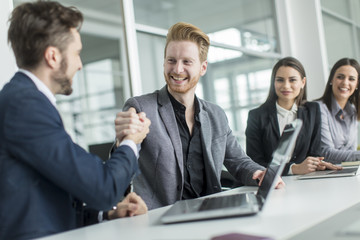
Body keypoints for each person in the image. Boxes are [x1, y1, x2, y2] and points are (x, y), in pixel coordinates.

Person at [0, 1, 150, 240]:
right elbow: (103, 188)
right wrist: (131, 141)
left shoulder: (25, 100)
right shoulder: (25, 105)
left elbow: (48, 199)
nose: (80, 64)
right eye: (77, 53)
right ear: (52, 56)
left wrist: (108, 214)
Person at [115, 22, 283, 210]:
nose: (177, 69)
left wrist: (259, 173)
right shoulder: (141, 107)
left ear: (203, 68)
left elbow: (238, 161)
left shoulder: (215, 114)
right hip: (161, 218)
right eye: (171, 60)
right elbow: (124, 161)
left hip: (211, 212)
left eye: (187, 62)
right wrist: (123, 140)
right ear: (164, 62)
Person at [245, 57, 340, 175]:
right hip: (270, 183)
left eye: (292, 80)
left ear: (303, 82)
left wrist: (317, 164)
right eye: (280, 80)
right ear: (273, 82)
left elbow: (315, 153)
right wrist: (293, 169)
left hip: (304, 180)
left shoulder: (313, 110)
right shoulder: (256, 116)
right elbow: (254, 162)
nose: (286, 86)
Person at [316, 58, 360, 163]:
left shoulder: (353, 110)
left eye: (351, 79)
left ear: (357, 84)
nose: (345, 83)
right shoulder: (319, 108)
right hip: (324, 173)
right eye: (340, 77)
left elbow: (352, 150)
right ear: (331, 79)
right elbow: (326, 153)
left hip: (345, 171)